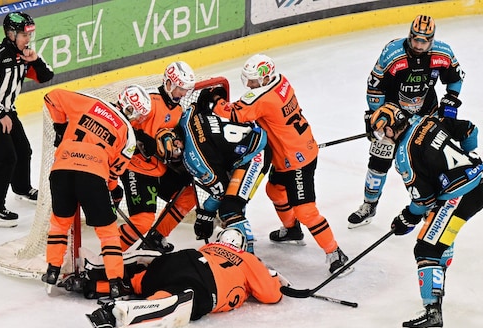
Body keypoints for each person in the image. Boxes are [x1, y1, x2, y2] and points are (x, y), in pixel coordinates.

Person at [201, 53, 349, 274]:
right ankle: (292, 230)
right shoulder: (282, 81)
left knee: (305, 210)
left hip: (295, 161)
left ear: (264, 79)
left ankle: (335, 252)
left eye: (253, 81)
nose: (249, 85)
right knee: (276, 190)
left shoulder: (264, 98)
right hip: (295, 151)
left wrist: (215, 101)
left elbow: (235, 114)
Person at [368, 103, 483, 328]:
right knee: (438, 239)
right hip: (479, 184)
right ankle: (437, 290)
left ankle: (433, 316)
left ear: (391, 129)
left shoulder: (404, 156)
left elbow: (423, 200)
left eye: (382, 133)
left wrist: (406, 218)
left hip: (459, 195)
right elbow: (470, 130)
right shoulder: (428, 120)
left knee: (426, 248)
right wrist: (471, 154)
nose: (382, 138)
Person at [348, 15, 465, 229]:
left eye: (424, 41)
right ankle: (369, 205)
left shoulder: (443, 53)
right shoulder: (392, 53)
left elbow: (456, 79)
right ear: (409, 36)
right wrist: (376, 117)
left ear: (432, 40)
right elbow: (375, 88)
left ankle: (428, 205)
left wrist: (450, 101)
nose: (419, 45)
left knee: (428, 163)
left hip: (426, 116)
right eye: (415, 40)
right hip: (394, 118)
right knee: (378, 163)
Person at [84, 228, 285, 328]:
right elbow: (270, 295)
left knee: (142, 282)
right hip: (205, 281)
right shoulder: (247, 258)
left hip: (182, 258)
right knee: (170, 299)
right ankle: (111, 316)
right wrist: (274, 277)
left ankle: (94, 283)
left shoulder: (209, 247)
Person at [41, 85, 152, 298]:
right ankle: (115, 282)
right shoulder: (128, 135)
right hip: (92, 176)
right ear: (137, 115)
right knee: (108, 233)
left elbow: (51, 97)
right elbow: (114, 173)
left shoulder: (91, 103)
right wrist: (113, 191)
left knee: (59, 223)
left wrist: (60, 126)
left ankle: (52, 271)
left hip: (61, 170)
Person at [0, 12, 54, 228]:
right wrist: (0, 115)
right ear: (10, 34)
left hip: (7, 111)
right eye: (24, 35)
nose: (28, 39)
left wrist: (35, 61)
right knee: (5, 159)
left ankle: (22, 189)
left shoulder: (23, 56)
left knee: (24, 151)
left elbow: (46, 76)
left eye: (30, 34)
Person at [117, 61, 198, 253]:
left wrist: (180, 163)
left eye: (186, 90)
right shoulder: (149, 100)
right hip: (134, 167)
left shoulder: (178, 110)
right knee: (142, 221)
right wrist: (140, 139)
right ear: (169, 83)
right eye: (180, 88)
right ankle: (108, 255)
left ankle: (157, 237)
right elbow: (119, 124)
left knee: (189, 196)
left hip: (159, 167)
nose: (184, 94)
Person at [170, 102, 269, 254]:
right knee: (233, 197)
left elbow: (220, 190)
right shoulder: (187, 116)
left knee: (229, 208)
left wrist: (206, 216)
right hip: (251, 136)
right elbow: (203, 99)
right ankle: (237, 229)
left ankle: (248, 257)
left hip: (255, 154)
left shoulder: (193, 158)